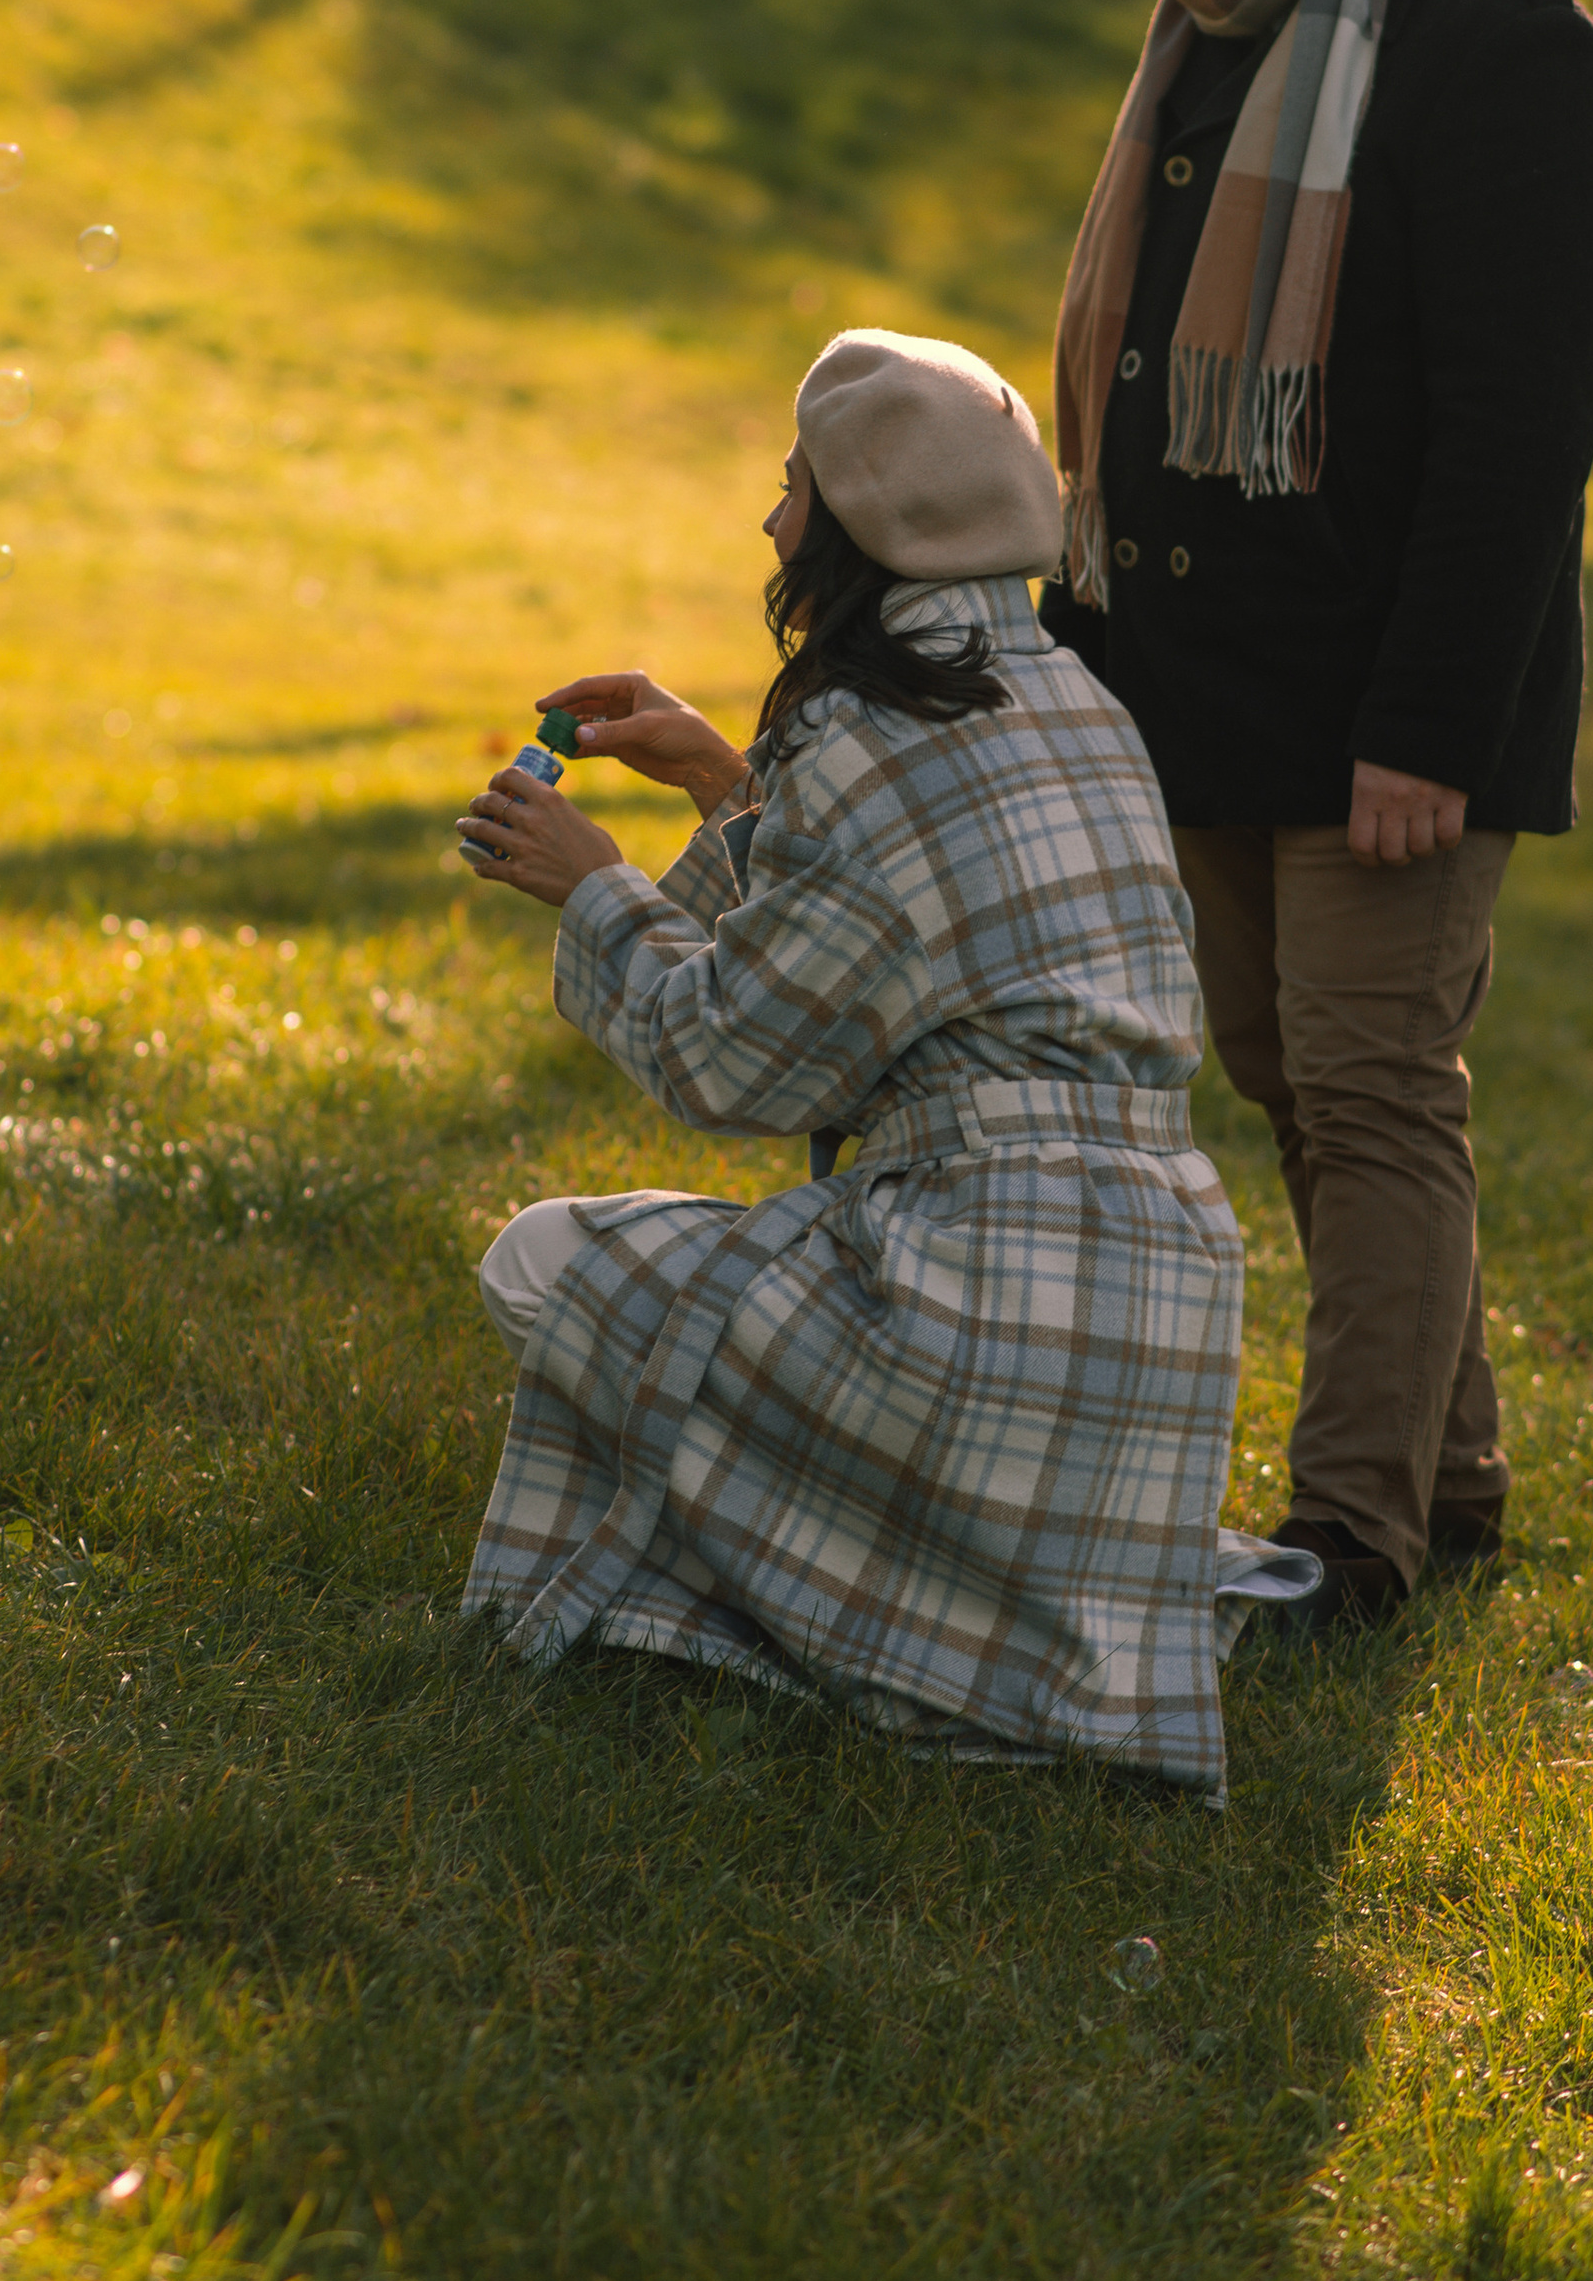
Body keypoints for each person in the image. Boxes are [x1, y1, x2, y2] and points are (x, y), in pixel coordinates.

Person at [1041, 0, 1593, 1636]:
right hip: (1205, 690)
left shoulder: (1494, 44)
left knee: (1373, 1088)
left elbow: (1514, 442)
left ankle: (1348, 1541)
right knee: (1293, 1077)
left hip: (1386, 704)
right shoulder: (1219, 15)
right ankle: (1445, 1478)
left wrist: (1426, 731)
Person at [451, 328, 1259, 1797]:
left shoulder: (870, 733)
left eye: (792, 488)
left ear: (864, 516)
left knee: (542, 1261)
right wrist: (720, 775)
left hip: (971, 1308)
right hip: (1158, 1323)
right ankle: (1021, 1598)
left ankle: (887, 1623)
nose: (770, 526)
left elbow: (734, 1062)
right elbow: (898, 918)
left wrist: (591, 886)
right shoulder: (1089, 709)